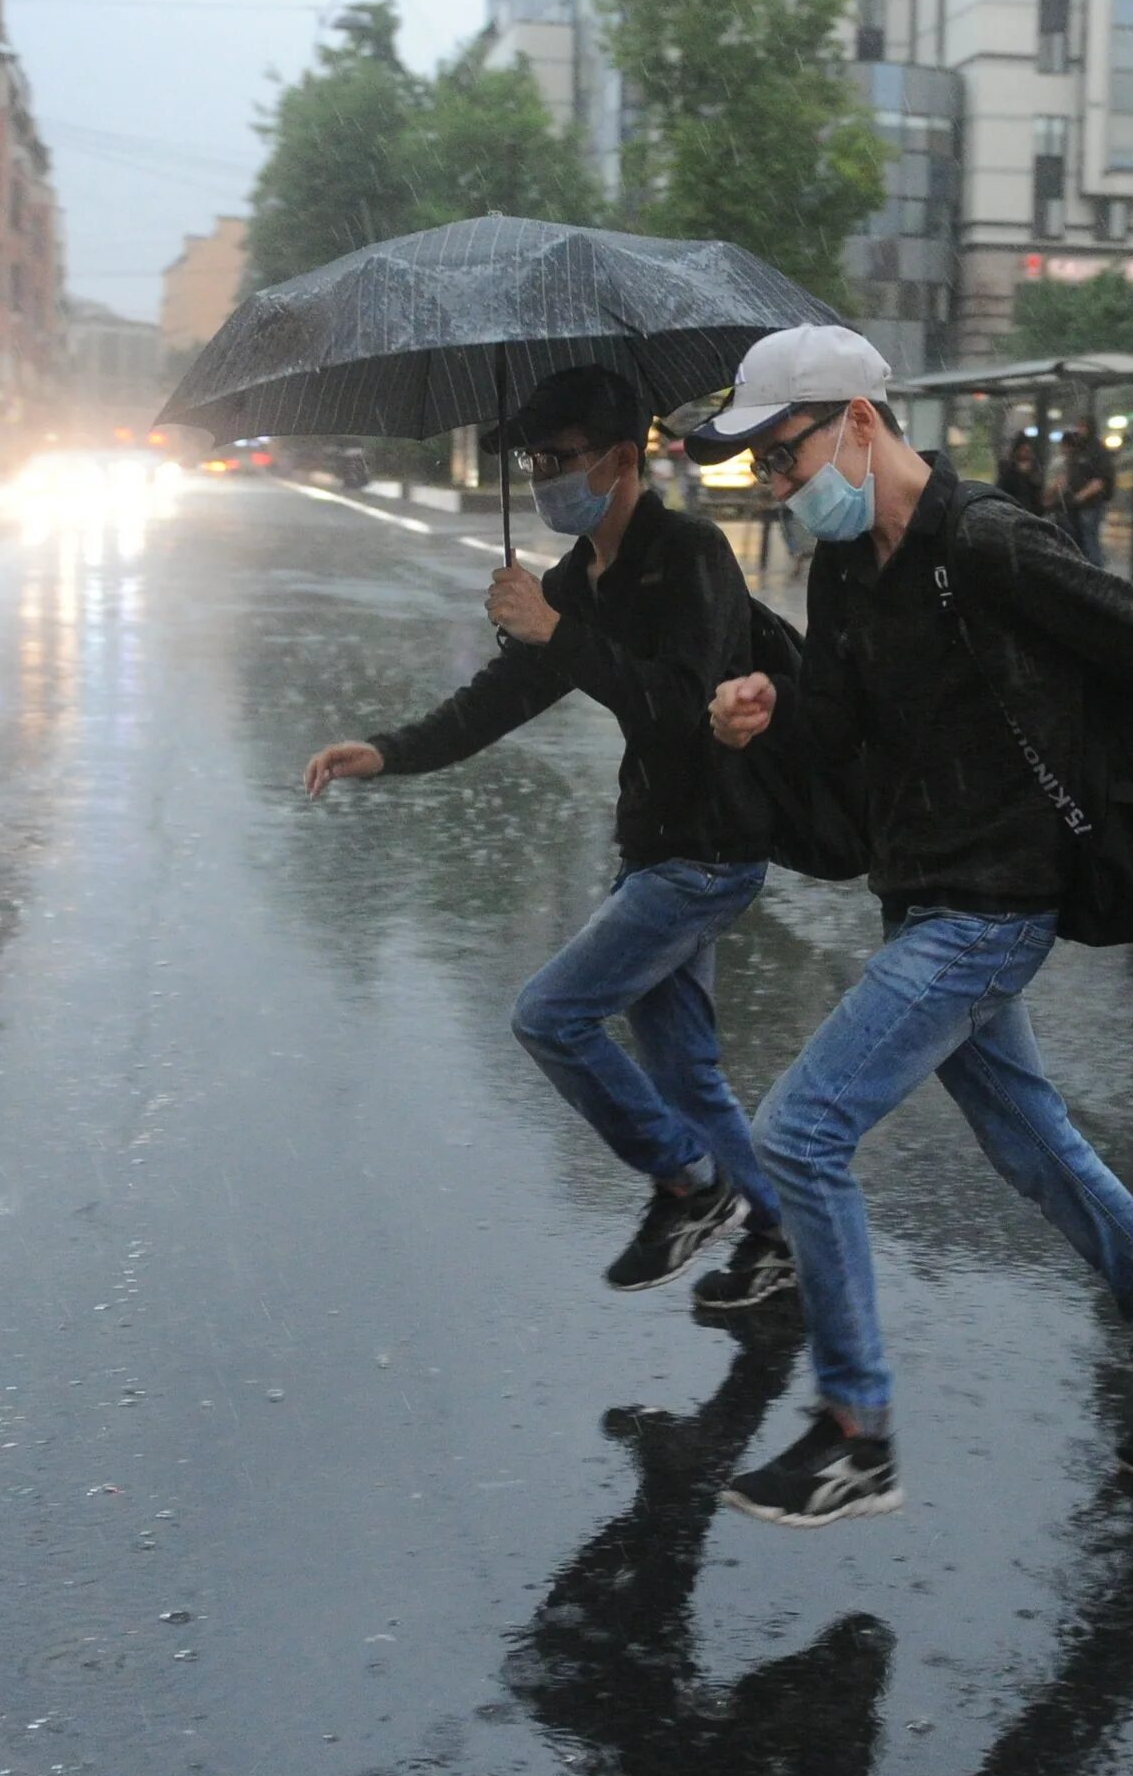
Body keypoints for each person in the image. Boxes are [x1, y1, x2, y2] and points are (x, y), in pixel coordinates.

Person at [689, 325, 1133, 1527]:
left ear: (860, 423)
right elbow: (845, 739)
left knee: (801, 1130)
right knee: (1035, 1144)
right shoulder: (843, 570)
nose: (776, 485)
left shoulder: (990, 543)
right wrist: (768, 715)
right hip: (920, 894)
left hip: (996, 903)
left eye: (783, 454)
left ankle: (855, 1429)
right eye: (760, 469)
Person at [301, 365, 796, 1311]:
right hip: (659, 846)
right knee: (686, 1071)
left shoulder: (691, 555)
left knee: (549, 1016)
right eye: (533, 459)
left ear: (623, 456)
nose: (542, 476)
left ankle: (694, 1187)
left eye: (560, 457)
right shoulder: (583, 577)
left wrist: (558, 629)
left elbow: (682, 710)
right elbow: (500, 700)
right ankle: (782, 1235)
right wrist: (385, 751)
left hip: (712, 851)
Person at [1057, 420, 1115, 568]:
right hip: (1077, 504)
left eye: (1082, 426)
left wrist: (1081, 495)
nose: (1079, 430)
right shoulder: (1081, 449)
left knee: (1089, 541)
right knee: (1081, 540)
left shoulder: (1096, 451)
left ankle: (1095, 572)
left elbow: (1100, 480)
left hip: (1090, 504)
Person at [994, 428, 1050, 515]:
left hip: (1031, 509)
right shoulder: (1007, 466)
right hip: (1012, 506)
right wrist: (1017, 471)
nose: (1026, 453)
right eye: (1023, 450)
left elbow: (1038, 488)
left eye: (1028, 451)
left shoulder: (1034, 466)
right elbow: (1003, 485)